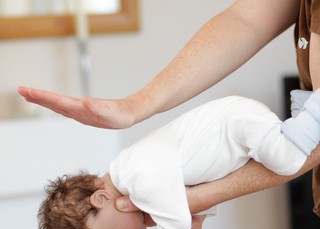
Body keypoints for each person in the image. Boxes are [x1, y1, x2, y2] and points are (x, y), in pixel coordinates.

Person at [17, 0, 320, 217]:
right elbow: (246, 20)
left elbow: (314, 137)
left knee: (288, 155)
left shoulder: (134, 176)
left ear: (99, 199)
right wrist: (133, 106)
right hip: (247, 119)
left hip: (257, 122)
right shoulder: (129, 169)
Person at [38, 90, 320, 229]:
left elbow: (176, 221)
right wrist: (197, 219)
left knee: (289, 161)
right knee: (285, 154)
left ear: (101, 199)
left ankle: (316, 107)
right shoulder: (132, 174)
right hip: (236, 125)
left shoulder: (137, 178)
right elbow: (193, 187)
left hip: (236, 125)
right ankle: (303, 110)